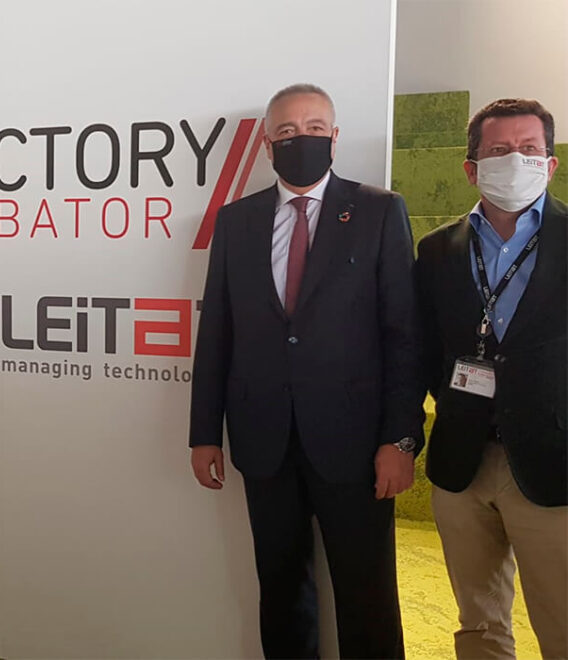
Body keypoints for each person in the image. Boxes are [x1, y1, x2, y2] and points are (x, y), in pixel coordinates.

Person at [189, 83, 423, 659]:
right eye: (288, 131)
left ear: (335, 138)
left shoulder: (378, 210)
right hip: (264, 439)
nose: (302, 139)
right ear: (268, 145)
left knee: (366, 593)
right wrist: (203, 433)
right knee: (281, 588)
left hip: (356, 443)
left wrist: (400, 439)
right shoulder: (235, 221)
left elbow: (404, 335)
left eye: (315, 128)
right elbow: (216, 332)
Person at [416, 98, 565, 659]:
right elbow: (425, 349)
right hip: (463, 461)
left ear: (550, 164)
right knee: (478, 625)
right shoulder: (437, 250)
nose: (515, 160)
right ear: (472, 168)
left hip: (555, 464)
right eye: (499, 150)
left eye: (529, 149)